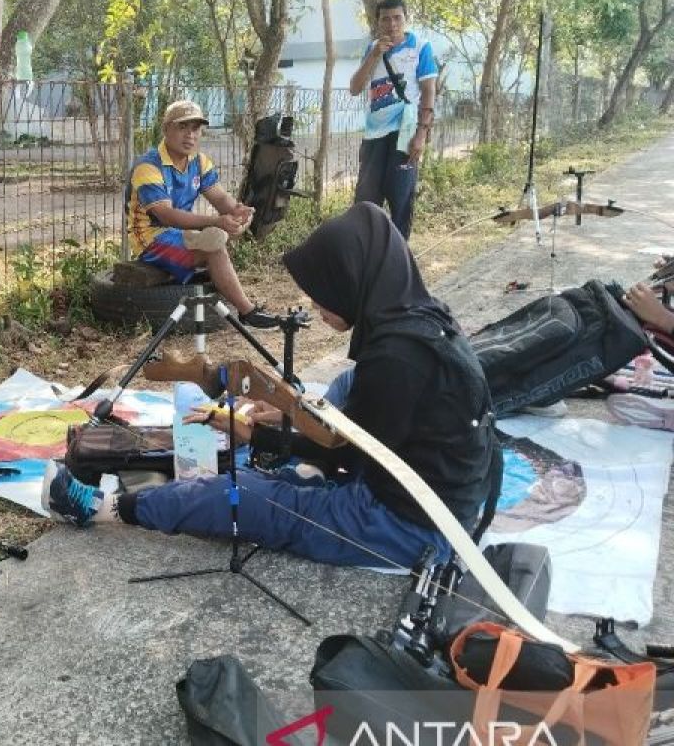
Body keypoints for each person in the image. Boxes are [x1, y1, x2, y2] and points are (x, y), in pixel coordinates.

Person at [42, 202, 500, 568]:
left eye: (323, 287)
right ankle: (301, 466)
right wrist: (290, 409)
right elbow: (360, 423)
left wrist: (256, 433)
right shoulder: (417, 316)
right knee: (344, 384)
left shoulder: (396, 359)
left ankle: (104, 509)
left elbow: (338, 449)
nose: (315, 303)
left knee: (241, 496)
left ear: (353, 279)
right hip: (437, 489)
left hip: (409, 525)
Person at [127, 100, 278, 328]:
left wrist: (238, 211)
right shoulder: (148, 166)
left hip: (182, 234)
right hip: (150, 239)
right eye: (182, 127)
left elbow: (219, 198)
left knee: (215, 239)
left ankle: (241, 307)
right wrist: (217, 221)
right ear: (165, 129)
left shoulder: (199, 161)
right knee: (213, 247)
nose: (190, 135)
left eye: (196, 128)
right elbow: (166, 215)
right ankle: (247, 312)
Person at [349, 0, 438, 239]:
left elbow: (429, 91)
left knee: (400, 200)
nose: (392, 24)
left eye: (397, 18)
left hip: (404, 135)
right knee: (365, 202)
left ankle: (398, 261)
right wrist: (373, 56)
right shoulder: (372, 49)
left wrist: (421, 134)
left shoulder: (420, 47)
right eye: (386, 19)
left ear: (405, 19)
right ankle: (368, 257)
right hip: (374, 136)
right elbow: (355, 88)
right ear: (378, 22)